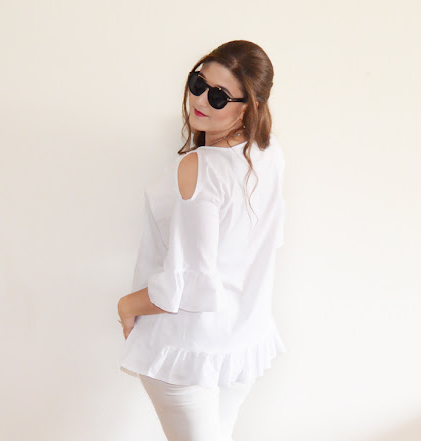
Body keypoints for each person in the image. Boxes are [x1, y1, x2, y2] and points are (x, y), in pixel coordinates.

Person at [117, 40, 287, 441]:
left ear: (249, 107)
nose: (200, 100)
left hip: (188, 352)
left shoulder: (200, 167)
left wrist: (126, 306)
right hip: (240, 341)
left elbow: (190, 286)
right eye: (198, 84)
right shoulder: (268, 152)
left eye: (219, 96)